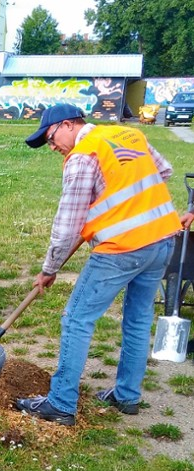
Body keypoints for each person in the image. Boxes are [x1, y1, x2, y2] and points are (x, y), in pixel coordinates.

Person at [14, 103, 184, 426]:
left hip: (123, 248)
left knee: (77, 318)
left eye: (50, 139)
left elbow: (66, 228)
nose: (52, 148)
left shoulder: (82, 156)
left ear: (67, 125)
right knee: (137, 319)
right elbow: (163, 172)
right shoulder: (129, 134)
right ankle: (127, 396)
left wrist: (49, 269)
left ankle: (61, 403)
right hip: (162, 240)